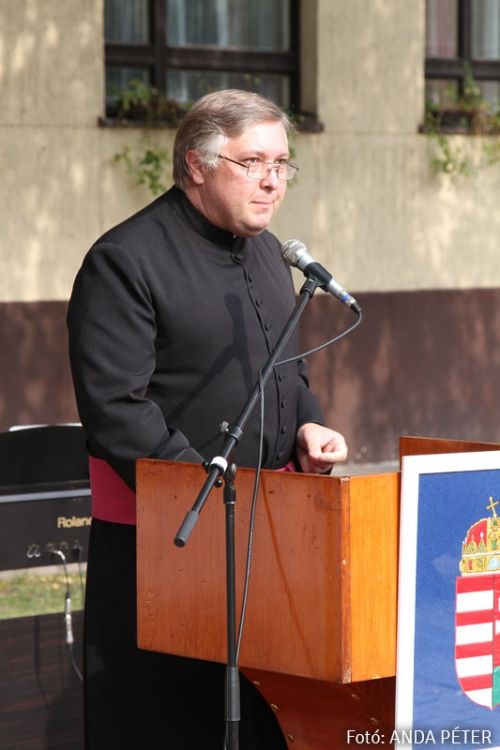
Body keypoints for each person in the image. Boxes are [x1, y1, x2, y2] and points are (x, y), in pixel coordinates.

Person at [67, 88, 348, 749]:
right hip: (170, 540)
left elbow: (286, 369)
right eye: (253, 163)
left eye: (281, 163)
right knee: (173, 719)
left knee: (264, 718)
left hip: (269, 533)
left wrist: (307, 424)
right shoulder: (125, 259)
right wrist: (208, 492)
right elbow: (115, 408)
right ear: (197, 164)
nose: (273, 180)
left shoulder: (270, 253)